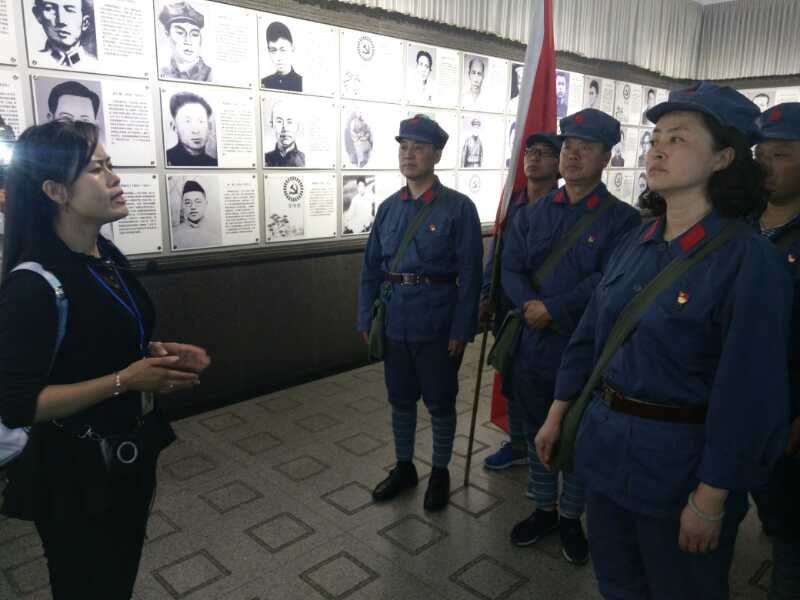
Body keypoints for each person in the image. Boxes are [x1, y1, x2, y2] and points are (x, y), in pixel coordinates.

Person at [535, 82, 792, 599]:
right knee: (617, 584)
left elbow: (748, 391)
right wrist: (559, 410)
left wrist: (713, 495)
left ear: (723, 157)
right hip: (606, 449)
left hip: (679, 467)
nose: (657, 149)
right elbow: (590, 335)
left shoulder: (747, 260)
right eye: (655, 139)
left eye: (677, 138)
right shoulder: (638, 239)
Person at [0, 120, 210, 599]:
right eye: (96, 169)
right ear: (55, 191)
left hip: (127, 455)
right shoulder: (32, 285)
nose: (114, 178)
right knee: (86, 585)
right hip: (72, 473)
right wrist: (125, 379)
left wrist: (156, 352)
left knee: (118, 576)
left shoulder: (105, 254)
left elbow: (94, 339)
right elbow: (18, 404)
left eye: (110, 165)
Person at [502, 110, 640, 564]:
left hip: (583, 345)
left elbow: (609, 280)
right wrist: (529, 304)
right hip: (532, 342)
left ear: (607, 157)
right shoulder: (533, 213)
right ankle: (544, 508)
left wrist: (554, 310)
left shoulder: (624, 220)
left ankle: (569, 516)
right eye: (568, 146)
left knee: (576, 432)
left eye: (586, 147)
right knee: (534, 427)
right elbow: (511, 268)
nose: (573, 154)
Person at [357, 115, 482, 512]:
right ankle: (405, 467)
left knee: (441, 401)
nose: (408, 155)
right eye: (403, 147)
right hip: (395, 321)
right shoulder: (388, 209)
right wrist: (365, 317)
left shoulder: (458, 208)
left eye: (419, 147)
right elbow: (371, 269)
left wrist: (462, 328)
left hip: (437, 322)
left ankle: (440, 471)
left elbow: (471, 276)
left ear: (437, 155)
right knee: (400, 399)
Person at [480, 133, 562, 471]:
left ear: (558, 163)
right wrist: (486, 294)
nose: (533, 158)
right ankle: (517, 444)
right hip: (509, 307)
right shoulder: (511, 202)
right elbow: (497, 255)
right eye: (530, 151)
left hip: (548, 312)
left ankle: (546, 445)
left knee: (546, 383)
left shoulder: (565, 206)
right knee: (511, 376)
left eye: (544, 153)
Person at [752, 102, 800, 600]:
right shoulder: (737, 222)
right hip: (732, 397)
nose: (766, 164)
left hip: (789, 404)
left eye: (780, 154)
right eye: (760, 153)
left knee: (790, 532)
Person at [32, 0, 97, 68]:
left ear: (85, 22)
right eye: (50, 8)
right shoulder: (35, 59)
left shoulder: (94, 66)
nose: (61, 20)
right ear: (38, 16)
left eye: (70, 10)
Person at [158, 1, 212, 82]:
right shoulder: (162, 72)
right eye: (180, 33)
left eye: (194, 34)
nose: (188, 41)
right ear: (167, 35)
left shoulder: (210, 75)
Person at [166, 91, 217, 167]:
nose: (196, 131)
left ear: (209, 126)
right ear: (174, 126)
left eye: (201, 121)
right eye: (188, 121)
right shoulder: (166, 159)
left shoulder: (214, 163)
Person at [171, 179, 220, 249]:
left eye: (198, 202)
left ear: (205, 204)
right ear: (183, 206)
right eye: (188, 202)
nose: (193, 207)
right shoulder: (174, 234)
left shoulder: (217, 229)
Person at [261, 21, 302, 92]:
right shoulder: (264, 83)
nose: (278, 57)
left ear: (292, 49)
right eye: (273, 50)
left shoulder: (302, 82)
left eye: (283, 50)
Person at [264, 100, 305, 167]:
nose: (285, 128)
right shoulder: (265, 160)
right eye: (279, 121)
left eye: (289, 122)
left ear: (298, 126)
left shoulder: (304, 160)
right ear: (272, 124)